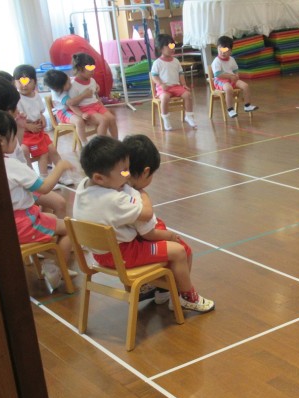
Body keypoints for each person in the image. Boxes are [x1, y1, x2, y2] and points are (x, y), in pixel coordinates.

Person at [73, 136, 215, 313]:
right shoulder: (116, 200)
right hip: (122, 254)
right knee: (179, 251)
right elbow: (146, 216)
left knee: (164, 246)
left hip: (100, 254)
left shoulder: (83, 186)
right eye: (124, 172)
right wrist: (144, 196)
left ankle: (162, 290)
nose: (127, 175)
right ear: (99, 178)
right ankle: (186, 297)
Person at [0, 109, 75, 289]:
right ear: (1, 141)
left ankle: (51, 259)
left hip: (5, 224)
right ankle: (57, 271)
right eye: (13, 137)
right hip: (23, 223)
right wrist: (60, 166)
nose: (16, 141)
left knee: (54, 219)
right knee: (70, 228)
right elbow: (44, 187)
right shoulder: (11, 165)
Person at [122, 133, 197, 302]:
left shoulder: (116, 186)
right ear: (146, 172)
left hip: (123, 244)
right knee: (184, 250)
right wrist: (170, 236)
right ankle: (178, 295)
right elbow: (148, 233)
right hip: (136, 244)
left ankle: (162, 291)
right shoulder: (136, 197)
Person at [0, 75, 68, 219]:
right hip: (20, 190)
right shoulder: (4, 149)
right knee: (57, 205)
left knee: (56, 203)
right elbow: (44, 188)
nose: (18, 110)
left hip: (23, 183)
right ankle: (44, 227)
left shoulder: (4, 131)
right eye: (15, 107)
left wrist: (20, 128)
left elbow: (15, 146)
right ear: (7, 110)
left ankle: (44, 225)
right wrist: (61, 166)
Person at [12, 64, 73, 184]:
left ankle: (63, 175)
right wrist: (28, 126)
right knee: (39, 153)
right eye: (20, 81)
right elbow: (17, 119)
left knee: (52, 150)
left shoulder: (36, 96)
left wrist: (42, 118)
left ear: (35, 82)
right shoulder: (17, 98)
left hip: (39, 131)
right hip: (25, 134)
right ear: (15, 83)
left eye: (28, 81)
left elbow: (40, 112)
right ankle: (39, 179)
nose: (24, 85)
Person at [151, 34, 197, 130]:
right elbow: (154, 76)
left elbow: (181, 74)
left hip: (176, 87)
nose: (172, 48)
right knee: (165, 97)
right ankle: (166, 118)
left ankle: (189, 116)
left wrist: (184, 84)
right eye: (169, 46)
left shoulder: (176, 61)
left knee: (187, 95)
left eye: (173, 46)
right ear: (161, 48)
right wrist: (161, 84)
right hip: (164, 88)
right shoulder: (157, 63)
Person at [68, 53, 118, 138]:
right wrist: (81, 114)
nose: (92, 71)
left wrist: (101, 105)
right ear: (79, 68)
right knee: (103, 121)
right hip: (85, 109)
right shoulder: (73, 85)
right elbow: (72, 105)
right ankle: (100, 144)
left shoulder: (92, 81)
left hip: (97, 106)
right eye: (89, 68)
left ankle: (116, 142)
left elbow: (96, 96)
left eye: (93, 68)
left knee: (112, 119)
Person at [43, 69, 97, 146]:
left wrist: (95, 85)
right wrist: (84, 95)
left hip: (74, 108)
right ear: (59, 88)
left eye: (68, 79)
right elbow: (71, 103)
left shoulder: (65, 80)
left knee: (92, 115)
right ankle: (85, 144)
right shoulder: (58, 94)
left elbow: (75, 80)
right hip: (64, 112)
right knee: (79, 121)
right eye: (68, 83)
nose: (70, 83)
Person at [211, 36, 258, 118]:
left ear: (230, 51)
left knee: (245, 86)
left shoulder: (231, 59)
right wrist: (230, 76)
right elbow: (218, 75)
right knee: (229, 89)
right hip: (220, 80)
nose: (223, 53)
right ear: (217, 49)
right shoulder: (216, 61)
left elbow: (235, 70)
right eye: (220, 50)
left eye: (225, 51)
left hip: (231, 79)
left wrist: (236, 76)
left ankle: (247, 106)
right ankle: (230, 109)